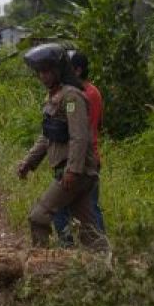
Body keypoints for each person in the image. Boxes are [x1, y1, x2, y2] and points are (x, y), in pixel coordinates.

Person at [16, 43, 107, 251]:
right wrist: (29, 163)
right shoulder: (54, 97)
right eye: (40, 72)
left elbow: (80, 137)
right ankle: (106, 269)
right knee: (90, 231)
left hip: (75, 172)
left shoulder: (72, 97)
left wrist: (73, 170)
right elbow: (47, 137)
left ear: (59, 70)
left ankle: (41, 267)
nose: (43, 76)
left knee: (38, 216)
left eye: (47, 71)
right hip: (71, 171)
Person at [53, 49, 105, 243]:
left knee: (62, 208)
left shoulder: (78, 95)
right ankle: (98, 250)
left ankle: (69, 248)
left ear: (77, 70)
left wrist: (72, 167)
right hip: (88, 158)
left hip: (81, 160)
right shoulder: (93, 92)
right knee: (89, 209)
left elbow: (79, 134)